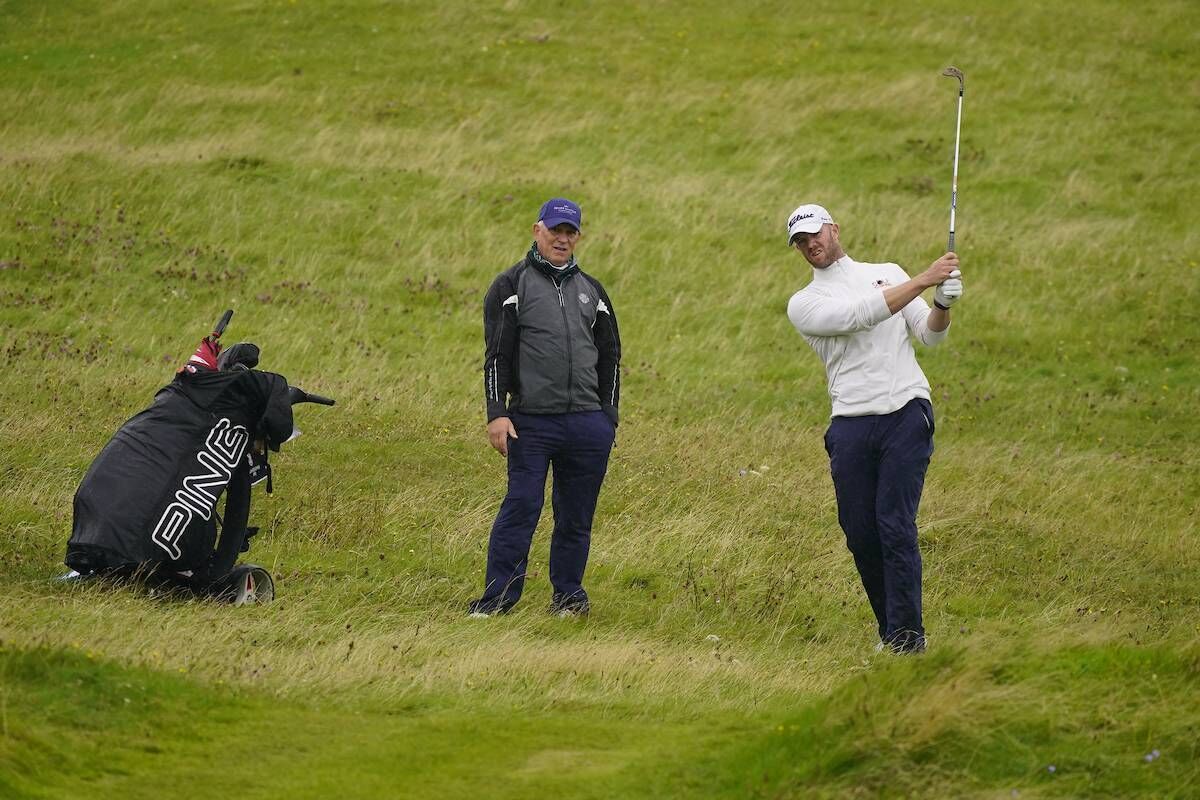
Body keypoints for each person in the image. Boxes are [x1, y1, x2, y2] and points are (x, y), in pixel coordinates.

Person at [784, 203, 963, 653]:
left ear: (834, 230)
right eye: (801, 242)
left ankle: (907, 638)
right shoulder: (805, 304)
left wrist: (942, 302)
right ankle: (893, 631)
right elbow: (859, 316)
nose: (811, 245)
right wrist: (924, 280)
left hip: (905, 412)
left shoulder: (886, 272)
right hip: (850, 424)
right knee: (860, 531)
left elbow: (931, 335)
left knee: (895, 524)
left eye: (815, 234)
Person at [469, 198, 621, 617]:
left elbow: (611, 357)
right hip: (530, 424)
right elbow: (496, 356)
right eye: (555, 230)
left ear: (578, 237)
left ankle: (568, 598)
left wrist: (607, 418)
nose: (563, 238)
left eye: (570, 232)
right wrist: (496, 412)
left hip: (588, 426)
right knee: (521, 508)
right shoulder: (510, 286)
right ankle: (498, 600)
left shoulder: (594, 291)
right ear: (537, 231)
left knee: (575, 517)